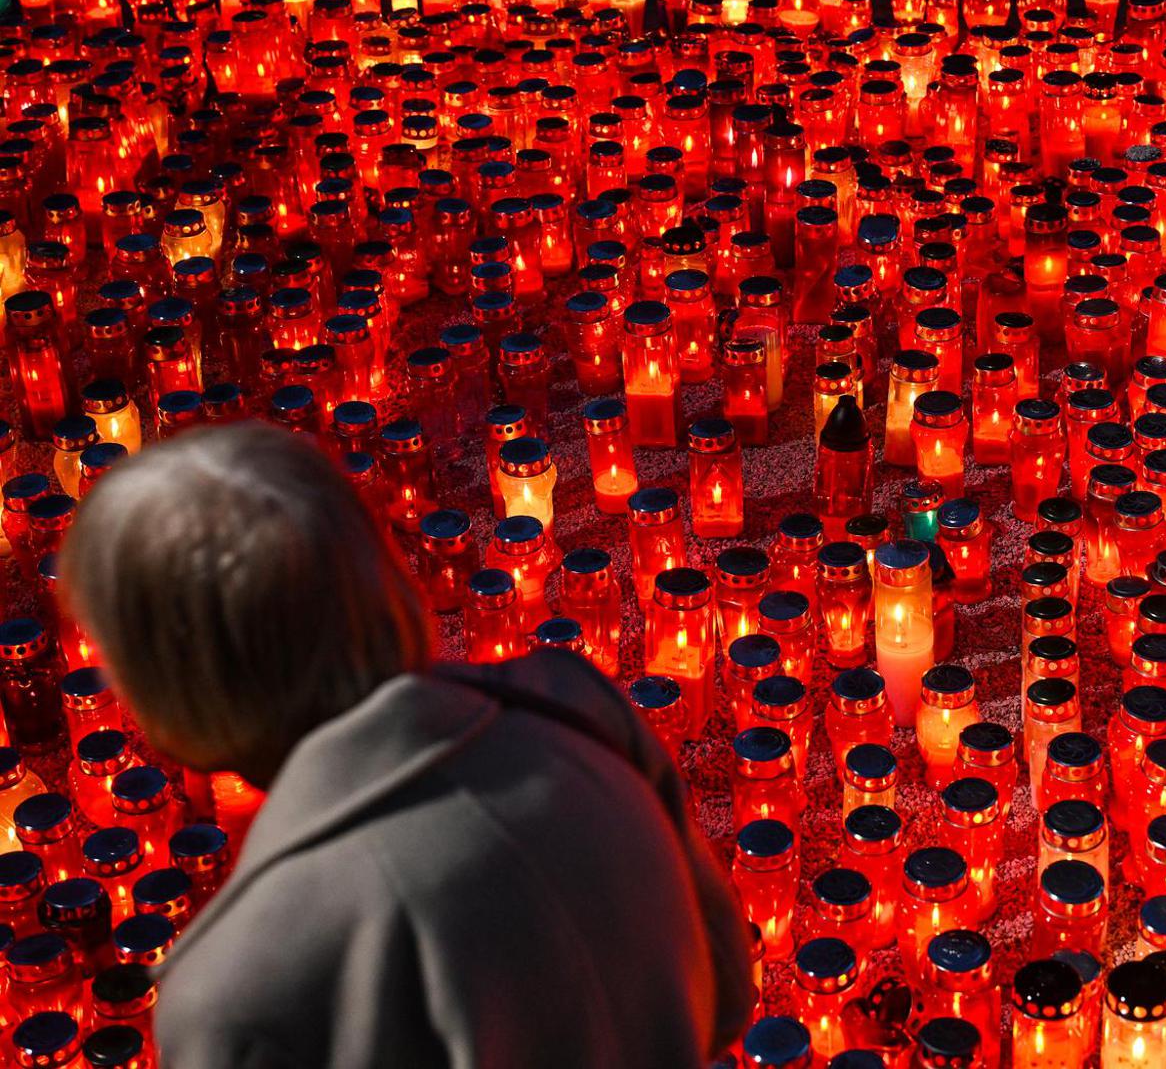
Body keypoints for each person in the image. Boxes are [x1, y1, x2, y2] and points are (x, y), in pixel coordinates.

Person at [59, 422, 754, 1068]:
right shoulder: (575, 709)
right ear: (382, 572)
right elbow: (725, 993)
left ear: (172, 690)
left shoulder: (239, 988)